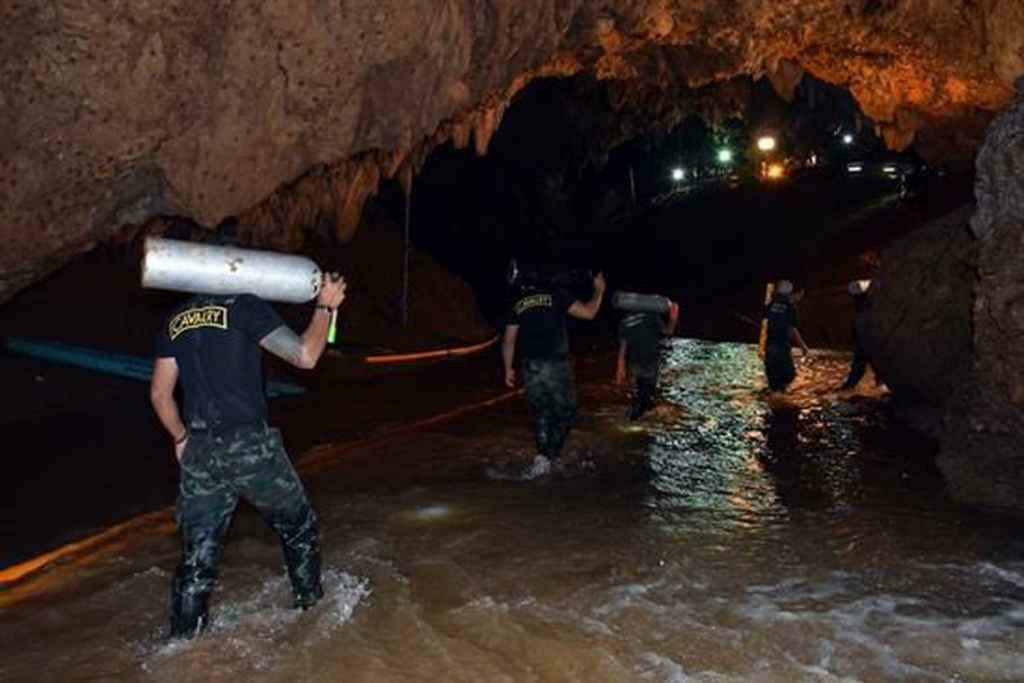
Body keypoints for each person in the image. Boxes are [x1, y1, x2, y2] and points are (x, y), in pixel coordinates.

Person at [150, 255, 347, 640]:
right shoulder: (244, 306)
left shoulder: (175, 320)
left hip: (200, 453)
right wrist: (326, 306)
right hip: (248, 445)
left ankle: (180, 647)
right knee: (299, 528)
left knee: (197, 558)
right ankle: (313, 619)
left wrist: (180, 437)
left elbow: (159, 393)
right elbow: (305, 356)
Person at [501, 267, 606, 472]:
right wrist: (599, 290)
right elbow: (589, 312)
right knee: (567, 412)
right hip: (556, 363)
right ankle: (553, 454)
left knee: (541, 412)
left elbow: (508, 340)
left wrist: (508, 369)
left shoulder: (519, 302)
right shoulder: (557, 295)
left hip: (530, 365)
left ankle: (541, 457)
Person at [615, 297, 679, 420]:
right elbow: (667, 332)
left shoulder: (625, 320)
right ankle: (637, 420)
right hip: (650, 362)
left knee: (638, 395)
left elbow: (623, 345)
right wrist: (673, 319)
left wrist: (620, 368)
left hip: (636, 363)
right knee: (646, 395)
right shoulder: (652, 315)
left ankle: (634, 418)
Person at [762, 280, 810, 393]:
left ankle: (774, 401)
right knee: (789, 376)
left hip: (769, 347)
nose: (800, 297)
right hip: (781, 347)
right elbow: (793, 330)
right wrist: (803, 346)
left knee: (773, 382)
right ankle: (781, 403)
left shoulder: (771, 304)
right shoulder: (791, 308)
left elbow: (766, 320)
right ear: (794, 293)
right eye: (800, 295)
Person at [840, 280, 874, 390]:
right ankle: (850, 386)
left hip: (866, 335)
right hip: (868, 335)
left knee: (860, 363)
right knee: (864, 362)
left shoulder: (862, 305)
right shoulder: (867, 303)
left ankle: (849, 386)